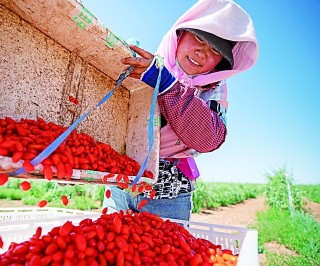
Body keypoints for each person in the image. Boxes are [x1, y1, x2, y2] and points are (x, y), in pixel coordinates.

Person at [103, 0, 259, 220]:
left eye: (215, 50)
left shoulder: (214, 88)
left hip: (168, 195)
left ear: (219, 63)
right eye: (198, 38)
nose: (202, 52)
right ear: (180, 34)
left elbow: (210, 138)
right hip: (122, 182)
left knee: (160, 252)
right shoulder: (150, 65)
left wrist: (166, 84)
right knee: (110, 245)